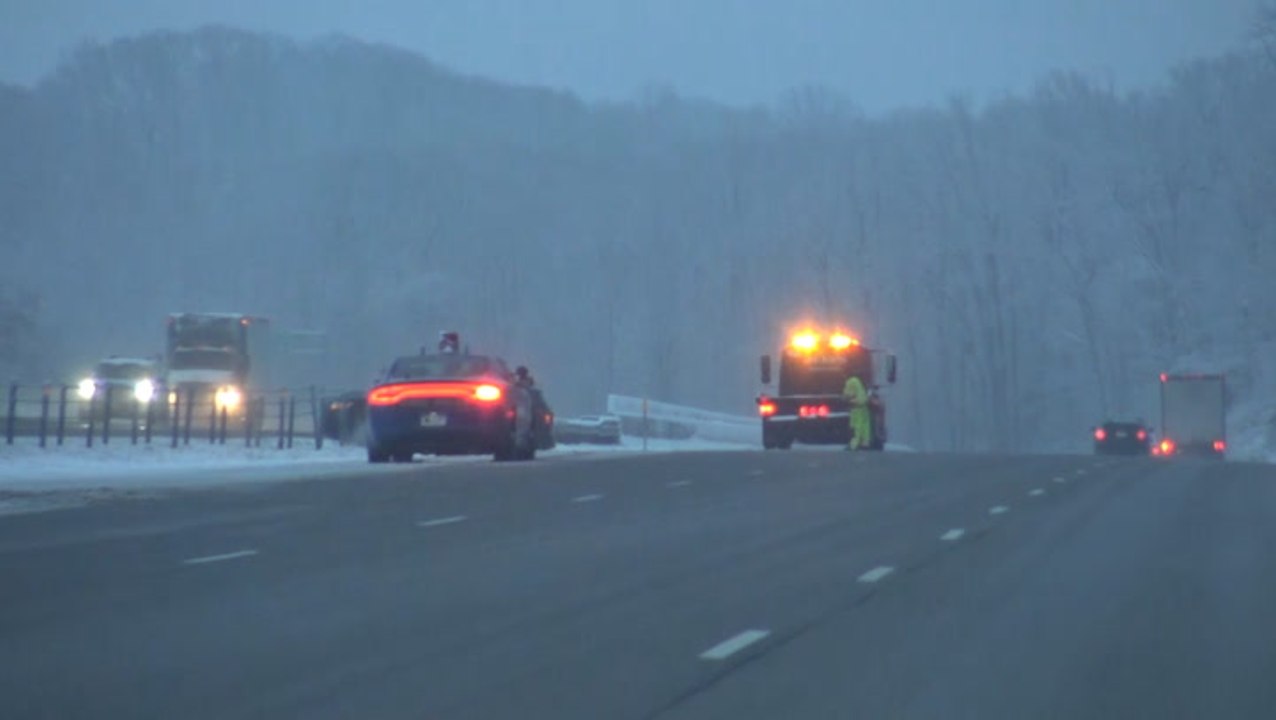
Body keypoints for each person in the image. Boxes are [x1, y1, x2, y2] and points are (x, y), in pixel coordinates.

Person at [842, 371, 871, 451]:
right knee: (865, 425)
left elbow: (848, 394)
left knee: (856, 427)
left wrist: (844, 398)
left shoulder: (850, 381)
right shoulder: (858, 381)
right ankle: (865, 443)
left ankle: (853, 445)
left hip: (856, 406)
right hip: (864, 406)